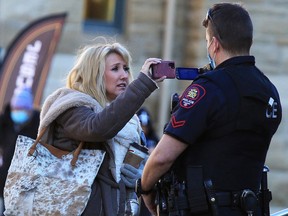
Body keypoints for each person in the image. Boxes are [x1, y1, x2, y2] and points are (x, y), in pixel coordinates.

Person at [139, 3, 282, 216]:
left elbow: (162, 157)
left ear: (214, 44)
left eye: (207, 42)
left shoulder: (209, 89)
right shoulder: (269, 91)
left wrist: (145, 190)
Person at [36, 38, 165, 216]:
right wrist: (142, 85)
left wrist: (138, 174)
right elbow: (97, 128)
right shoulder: (71, 106)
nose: (124, 75)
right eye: (115, 69)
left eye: (126, 68)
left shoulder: (129, 120)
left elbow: (126, 166)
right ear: (94, 73)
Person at [0, 88, 40, 216]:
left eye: (22, 108)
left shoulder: (39, 124)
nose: (18, 111)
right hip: (4, 178)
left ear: (29, 109)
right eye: (16, 108)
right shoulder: (4, 122)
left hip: (27, 183)